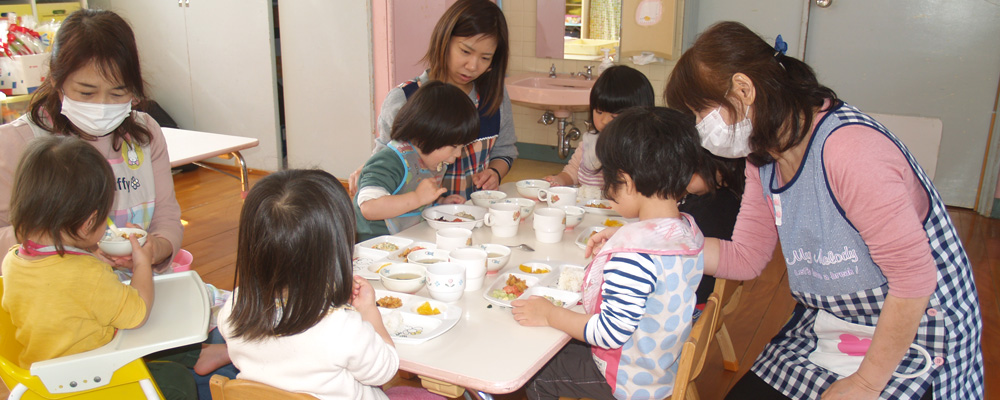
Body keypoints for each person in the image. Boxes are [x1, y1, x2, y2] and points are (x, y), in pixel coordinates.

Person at [657, 21, 982, 399]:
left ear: (744, 90)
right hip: (835, 327)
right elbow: (744, 257)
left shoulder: (850, 150)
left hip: (915, 332)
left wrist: (864, 383)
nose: (699, 130)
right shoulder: (762, 159)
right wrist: (652, 239)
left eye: (700, 113)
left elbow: (914, 281)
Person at [513, 107, 706, 400]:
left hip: (632, 381)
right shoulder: (688, 231)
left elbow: (608, 333)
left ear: (626, 182)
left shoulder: (634, 255)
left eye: (608, 178)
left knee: (536, 371)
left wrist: (550, 314)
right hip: (664, 361)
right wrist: (621, 236)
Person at [1, 136, 196, 400]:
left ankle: (202, 354)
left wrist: (90, 255)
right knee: (176, 381)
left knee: (174, 348)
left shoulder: (13, 259)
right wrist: (142, 264)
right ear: (88, 222)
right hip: (86, 384)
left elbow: (58, 299)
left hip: (39, 378)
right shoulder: (86, 274)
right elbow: (137, 314)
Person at [0, 9, 182, 276]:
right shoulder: (17, 141)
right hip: (56, 296)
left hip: (135, 291)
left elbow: (167, 219)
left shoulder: (144, 133)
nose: (102, 106)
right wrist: (68, 241)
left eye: (118, 92)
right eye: (86, 92)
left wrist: (155, 249)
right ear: (55, 80)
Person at [218, 169, 399, 399]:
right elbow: (385, 370)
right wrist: (368, 311)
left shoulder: (235, 307)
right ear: (335, 251)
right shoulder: (340, 326)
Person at [350, 0, 516, 199]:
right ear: (444, 41)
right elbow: (384, 157)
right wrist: (368, 171)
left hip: (473, 216)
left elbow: (505, 150)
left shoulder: (493, 97)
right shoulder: (405, 98)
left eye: (485, 58)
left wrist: (495, 172)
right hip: (415, 220)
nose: (472, 66)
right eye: (465, 51)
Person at [354, 81, 479, 241]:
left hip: (409, 240)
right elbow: (369, 208)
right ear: (428, 134)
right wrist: (417, 198)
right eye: (454, 146)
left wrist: (438, 202)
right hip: (374, 246)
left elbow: (412, 198)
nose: (458, 154)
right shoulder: (391, 161)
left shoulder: (435, 161)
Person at [542, 65, 655, 200]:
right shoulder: (590, 143)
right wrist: (558, 180)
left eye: (614, 116)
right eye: (599, 112)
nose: (604, 121)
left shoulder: (644, 151)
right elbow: (573, 172)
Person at [682, 151, 745, 305]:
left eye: (695, 166)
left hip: (691, 306)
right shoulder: (729, 200)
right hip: (705, 302)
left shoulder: (711, 211)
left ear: (725, 167)